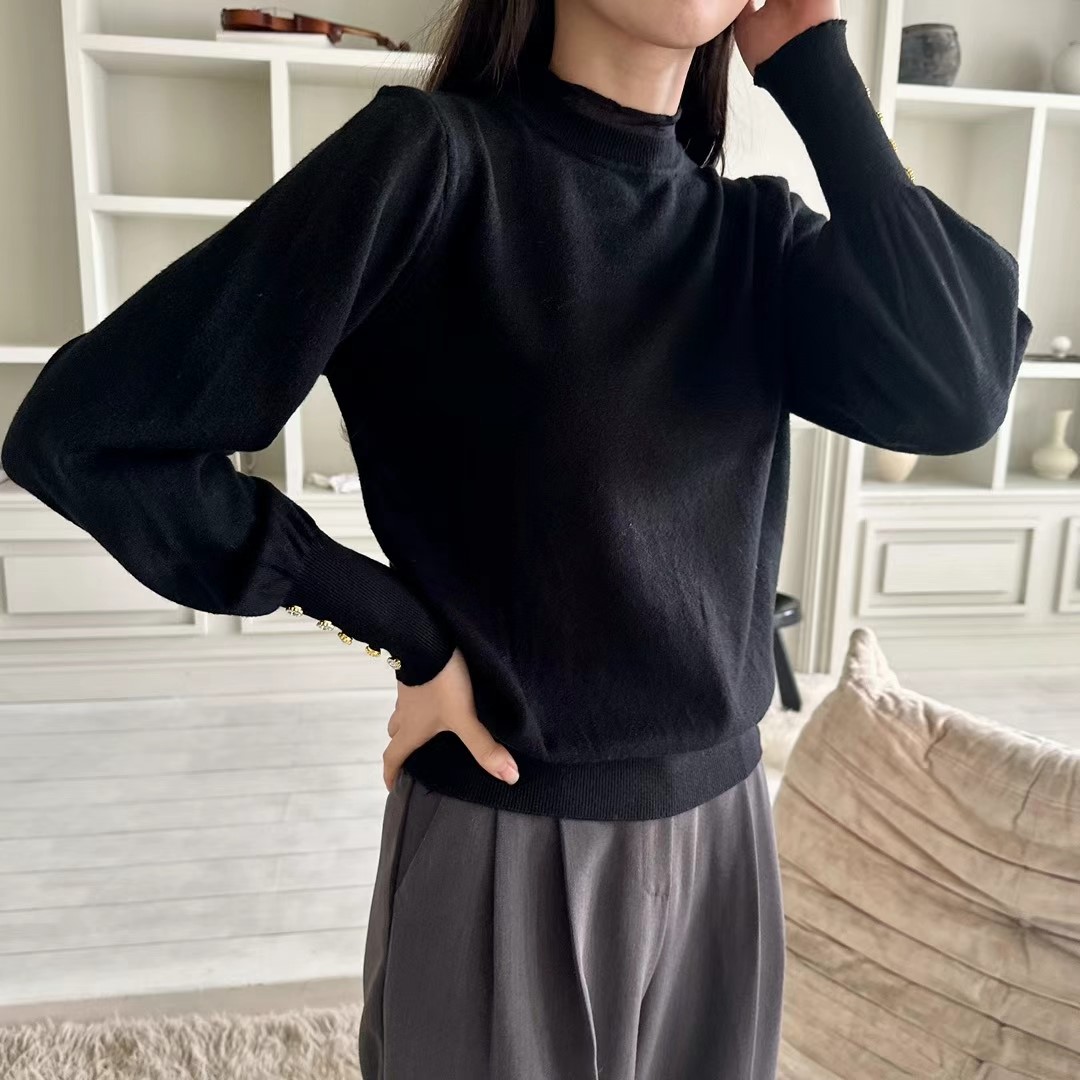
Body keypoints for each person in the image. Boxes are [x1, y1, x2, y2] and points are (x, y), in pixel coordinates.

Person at [1, 0, 1031, 1075]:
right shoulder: (433, 166)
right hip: (510, 842)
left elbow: (959, 386)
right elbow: (87, 433)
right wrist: (404, 632)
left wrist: (815, 67)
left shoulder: (753, 239)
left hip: (727, 840)